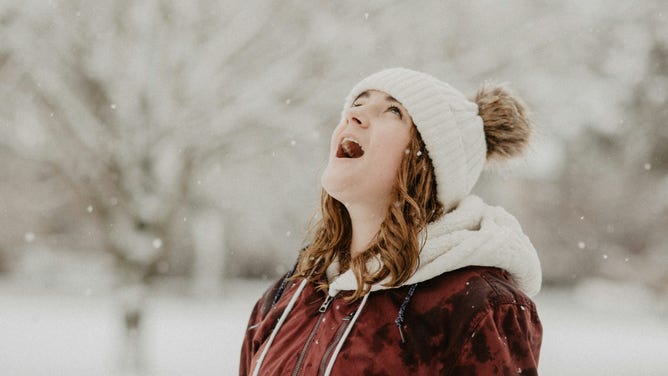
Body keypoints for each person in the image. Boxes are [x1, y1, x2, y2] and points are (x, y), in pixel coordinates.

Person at [240, 68, 543, 376]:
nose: (354, 115)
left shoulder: (477, 307)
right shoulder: (287, 296)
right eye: (358, 102)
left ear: (427, 161)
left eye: (393, 110)